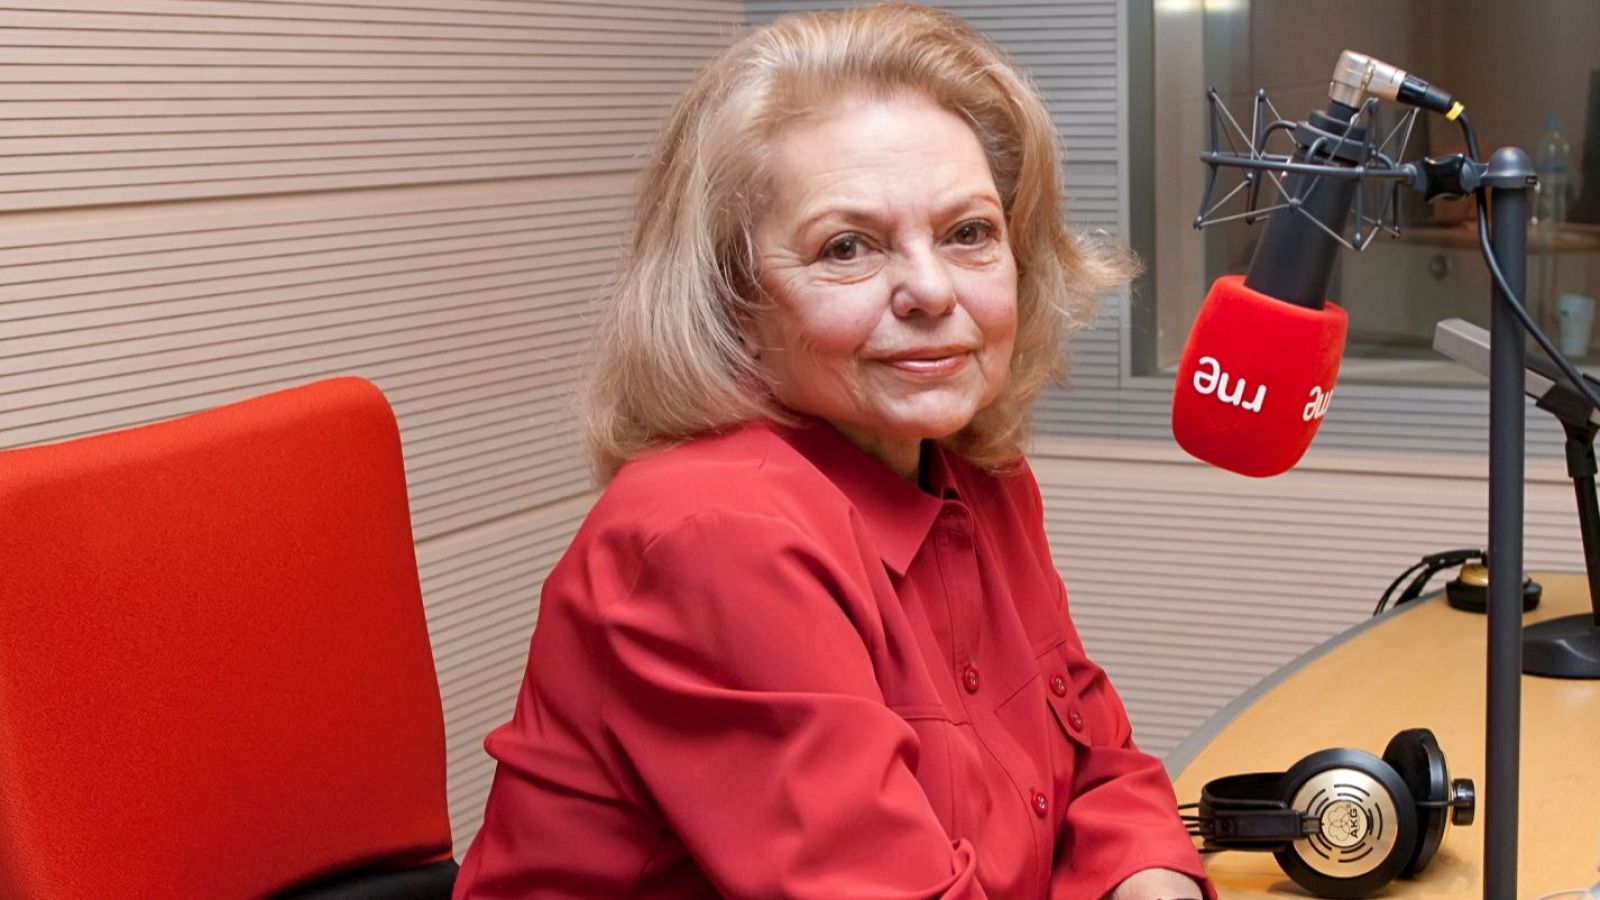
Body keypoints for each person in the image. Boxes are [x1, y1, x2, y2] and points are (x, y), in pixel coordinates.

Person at [453, 4, 1210, 898]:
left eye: (969, 233)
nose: (930, 290)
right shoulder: (715, 537)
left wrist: (1151, 882)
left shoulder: (974, 467)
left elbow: (1097, 767)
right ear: (734, 302)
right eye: (847, 248)